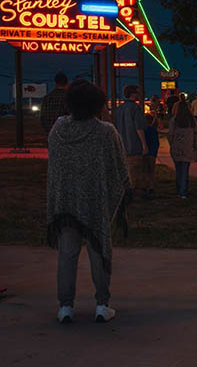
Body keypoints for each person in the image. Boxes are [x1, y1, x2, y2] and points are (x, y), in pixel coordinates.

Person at [47, 79, 130, 324]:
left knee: (67, 254)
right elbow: (119, 166)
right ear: (98, 104)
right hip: (94, 201)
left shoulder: (58, 128)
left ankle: (65, 307)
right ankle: (102, 305)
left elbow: (55, 164)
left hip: (64, 203)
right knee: (99, 251)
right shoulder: (105, 131)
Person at [114, 85, 148, 199]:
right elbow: (139, 127)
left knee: (124, 171)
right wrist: (144, 144)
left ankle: (124, 192)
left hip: (122, 146)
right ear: (133, 94)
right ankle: (133, 194)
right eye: (138, 93)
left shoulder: (119, 109)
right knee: (135, 171)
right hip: (134, 145)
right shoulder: (136, 108)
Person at [168, 100, 197, 199]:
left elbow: (170, 134)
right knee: (185, 169)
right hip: (188, 148)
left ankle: (179, 189)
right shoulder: (192, 120)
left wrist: (172, 143)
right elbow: (196, 134)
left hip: (177, 147)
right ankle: (183, 191)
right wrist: (196, 146)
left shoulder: (174, 120)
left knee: (178, 169)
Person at [142, 112, 159, 199]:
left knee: (145, 171)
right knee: (151, 171)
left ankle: (145, 186)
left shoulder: (143, 131)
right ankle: (151, 187)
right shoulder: (153, 130)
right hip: (152, 153)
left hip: (145, 153)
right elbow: (156, 143)